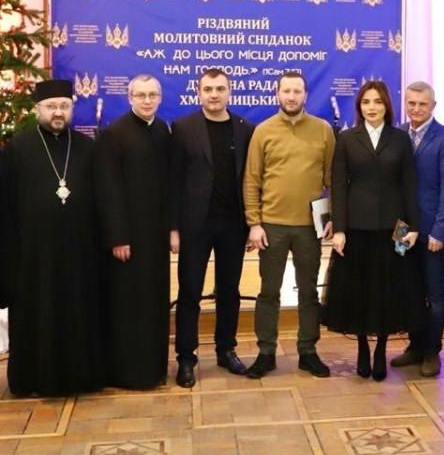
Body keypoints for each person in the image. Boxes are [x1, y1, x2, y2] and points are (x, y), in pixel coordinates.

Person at [0, 79, 103, 397]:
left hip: (79, 250)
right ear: (37, 109)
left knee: (78, 313)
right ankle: (34, 378)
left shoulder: (87, 147)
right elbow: (6, 204)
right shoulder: (18, 148)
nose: (58, 112)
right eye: (51, 106)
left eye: (64, 106)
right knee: (37, 314)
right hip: (33, 254)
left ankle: (82, 377)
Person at [322, 81, 422, 381]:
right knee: (359, 291)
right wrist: (339, 229)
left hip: (394, 230)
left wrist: (413, 227)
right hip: (356, 229)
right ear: (359, 106)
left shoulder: (400, 139)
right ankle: (363, 347)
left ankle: (381, 350)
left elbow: (409, 186)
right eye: (366, 102)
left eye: (377, 101)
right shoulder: (346, 139)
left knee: (388, 291)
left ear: (386, 105)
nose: (372, 107)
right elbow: (338, 187)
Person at [243, 71, 336, 379]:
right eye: (286, 91)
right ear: (277, 94)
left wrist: (332, 218)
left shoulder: (323, 130)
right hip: (271, 227)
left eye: (297, 91)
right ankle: (266, 353)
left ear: (306, 95)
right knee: (268, 292)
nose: (292, 97)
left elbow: (333, 180)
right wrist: (254, 223)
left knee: (308, 292)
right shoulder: (263, 131)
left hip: (310, 228)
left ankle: (308, 352)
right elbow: (252, 180)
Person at [170, 68, 254, 387]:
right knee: (190, 291)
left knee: (229, 291)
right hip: (195, 225)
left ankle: (226, 350)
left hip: (233, 224)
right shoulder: (183, 128)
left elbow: (251, 178)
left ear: (229, 91)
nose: (214, 94)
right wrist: (173, 228)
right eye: (208, 89)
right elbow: (173, 181)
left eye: (220, 88)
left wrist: (252, 223)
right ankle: (186, 358)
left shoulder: (245, 128)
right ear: (199, 92)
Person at [95, 74, 172, 390]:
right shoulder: (114, 134)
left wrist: (172, 228)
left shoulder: (163, 131)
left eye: (152, 95)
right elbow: (108, 189)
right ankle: (128, 372)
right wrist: (118, 237)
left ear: (160, 98)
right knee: (129, 304)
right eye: (141, 95)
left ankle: (154, 369)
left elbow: (169, 186)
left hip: (156, 236)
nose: (147, 100)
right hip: (128, 239)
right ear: (129, 98)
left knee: (155, 302)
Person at [390, 81, 444, 378]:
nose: (416, 108)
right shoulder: (397, 135)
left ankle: (432, 351)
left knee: (435, 293)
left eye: (422, 104)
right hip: (402, 229)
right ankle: (415, 346)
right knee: (408, 289)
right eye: (411, 103)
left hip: (432, 231)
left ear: (433, 106)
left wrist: (440, 231)